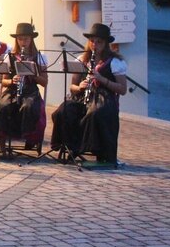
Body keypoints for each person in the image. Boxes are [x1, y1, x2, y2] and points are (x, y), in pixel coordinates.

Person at [51, 23, 127, 163]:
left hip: (104, 98)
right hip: (82, 97)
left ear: (105, 44)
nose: (95, 44)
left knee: (94, 114)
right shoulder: (81, 59)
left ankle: (84, 148)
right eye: (92, 41)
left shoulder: (114, 62)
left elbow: (122, 89)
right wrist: (79, 86)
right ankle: (68, 146)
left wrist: (101, 79)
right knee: (63, 111)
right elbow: (72, 87)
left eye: (99, 42)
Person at [0, 22, 47, 150]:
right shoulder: (10, 56)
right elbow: (3, 81)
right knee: (2, 106)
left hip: (30, 91)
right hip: (12, 90)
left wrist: (32, 75)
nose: (23, 42)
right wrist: (12, 81)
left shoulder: (39, 57)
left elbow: (45, 82)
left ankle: (29, 139)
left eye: (26, 39)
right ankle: (2, 143)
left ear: (31, 39)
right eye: (20, 39)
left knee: (29, 106)